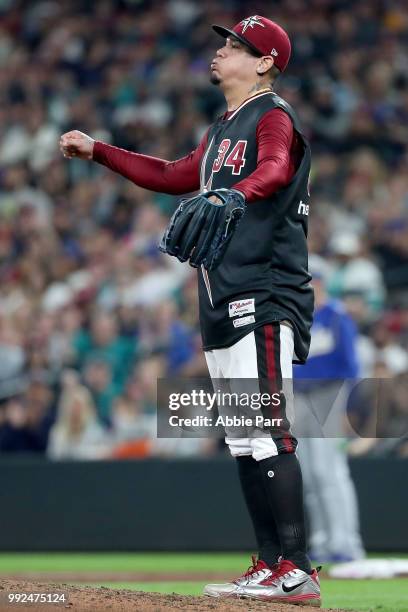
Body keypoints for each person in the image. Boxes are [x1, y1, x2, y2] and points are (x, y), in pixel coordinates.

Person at [60, 15, 320, 605]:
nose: (222, 51)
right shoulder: (224, 125)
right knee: (242, 436)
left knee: (268, 434)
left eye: (236, 46)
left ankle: (298, 570)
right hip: (221, 295)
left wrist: (237, 190)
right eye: (225, 43)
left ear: (265, 62)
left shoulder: (272, 115)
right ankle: (269, 564)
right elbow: (175, 174)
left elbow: (276, 168)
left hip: (264, 292)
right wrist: (99, 150)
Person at [294, 255, 365, 562]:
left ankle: (346, 540)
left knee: (330, 470)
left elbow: (351, 366)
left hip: (330, 394)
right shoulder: (297, 318)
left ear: (319, 283)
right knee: (308, 474)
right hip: (300, 398)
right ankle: (323, 539)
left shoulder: (336, 315)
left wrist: (350, 409)